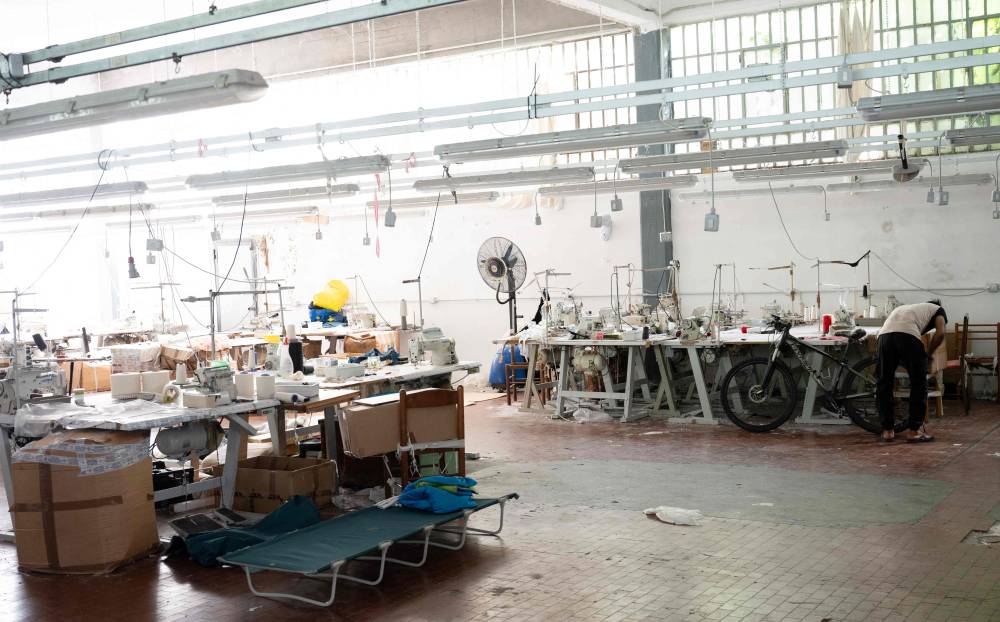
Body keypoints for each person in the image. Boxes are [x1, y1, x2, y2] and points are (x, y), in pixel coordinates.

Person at [876, 300, 947, 443]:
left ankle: (888, 431)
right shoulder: (938, 310)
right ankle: (914, 431)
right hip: (906, 336)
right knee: (918, 382)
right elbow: (940, 334)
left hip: (883, 336)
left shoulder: (907, 308)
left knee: (884, 383)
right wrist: (928, 355)